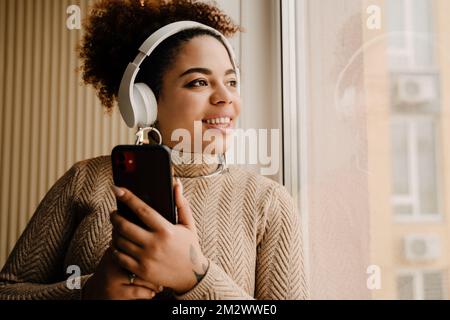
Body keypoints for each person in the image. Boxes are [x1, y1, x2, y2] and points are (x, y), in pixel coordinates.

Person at [0, 0, 308, 300]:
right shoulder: (84, 180)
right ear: (144, 100)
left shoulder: (268, 202)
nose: (226, 97)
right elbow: (8, 290)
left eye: (231, 81)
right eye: (199, 82)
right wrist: (87, 292)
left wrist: (196, 277)